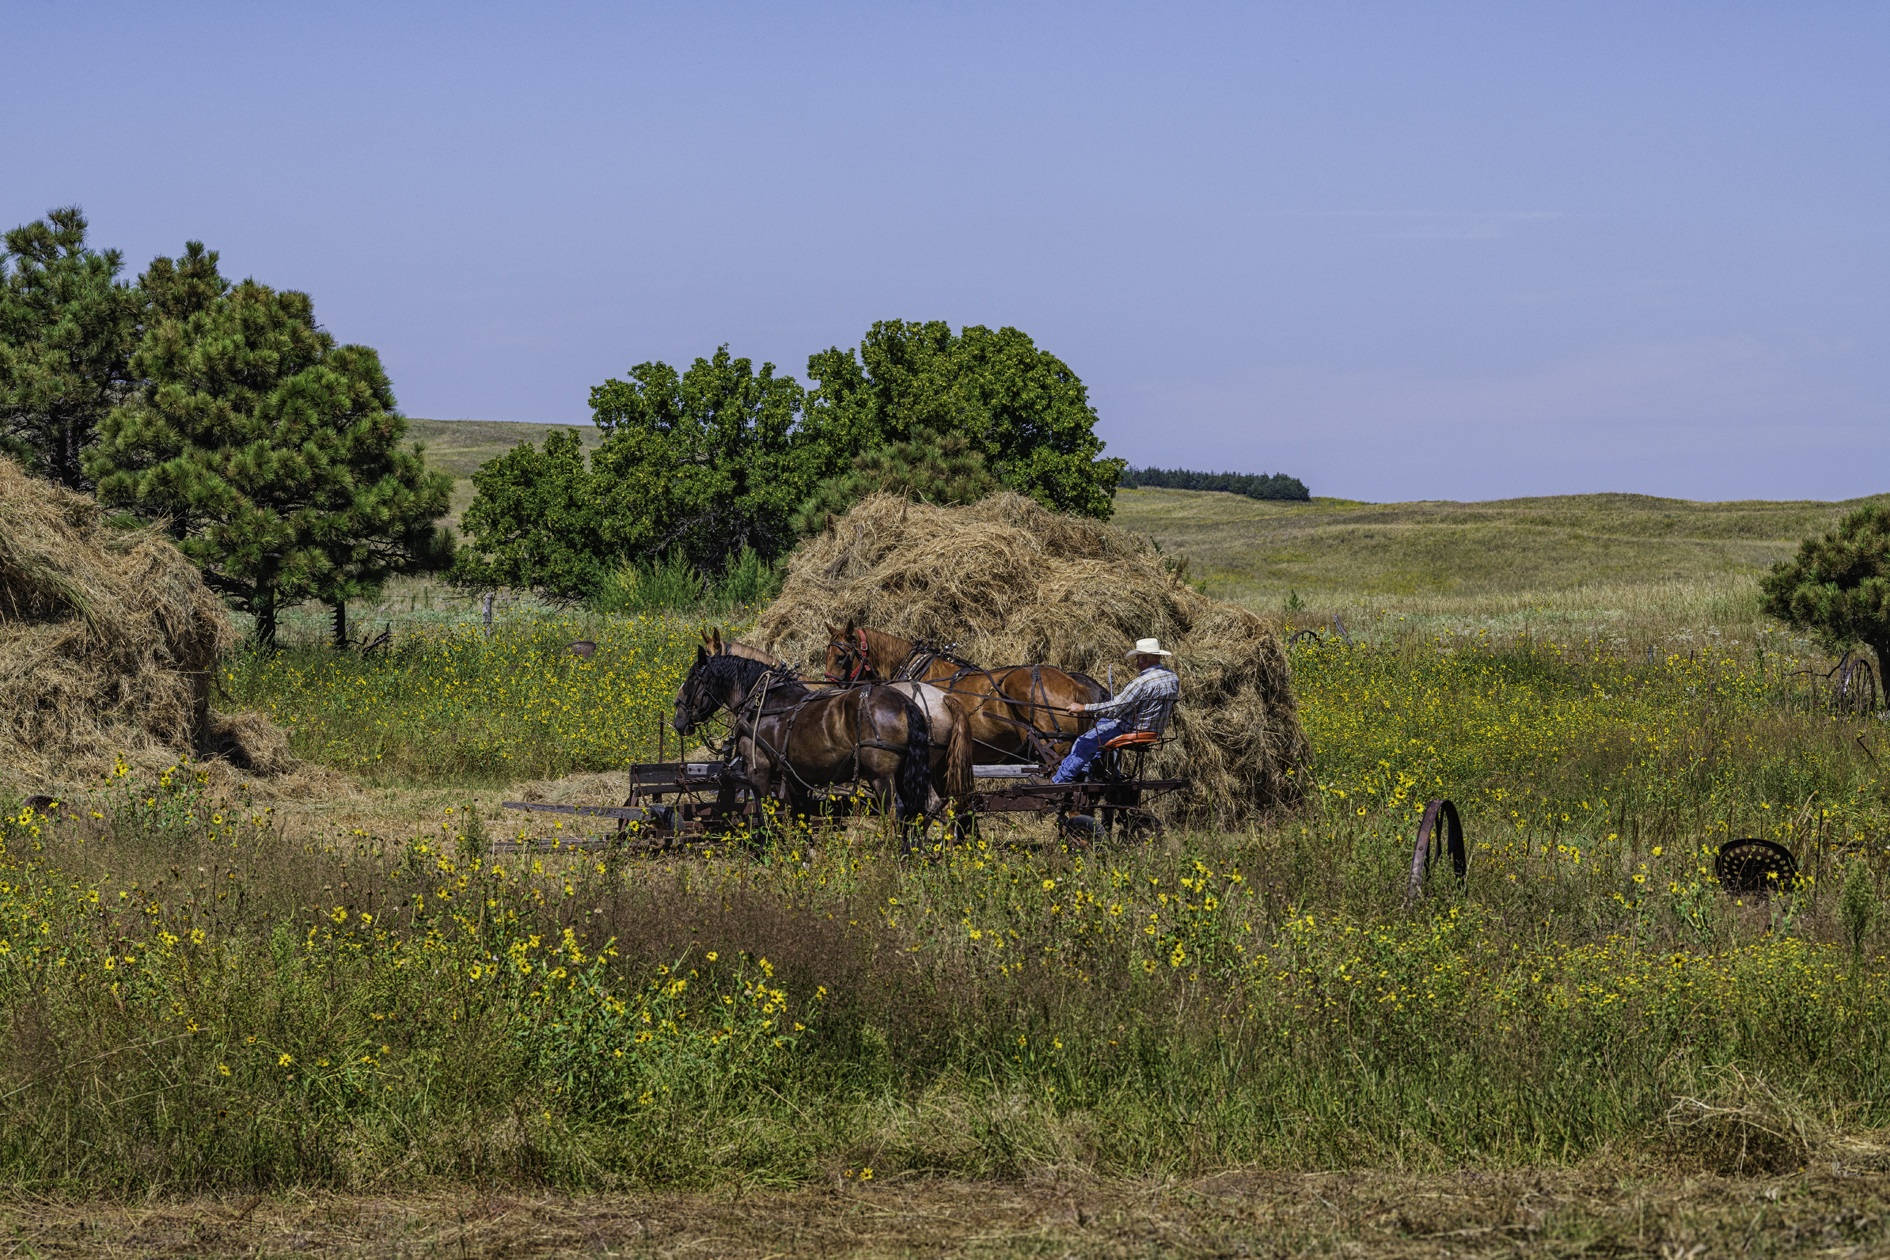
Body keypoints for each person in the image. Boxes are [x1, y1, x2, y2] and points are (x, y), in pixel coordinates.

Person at [1050, 637, 1179, 783]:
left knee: (1083, 742)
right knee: (1102, 722)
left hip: (1132, 729)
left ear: (1143, 658)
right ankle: (1085, 768)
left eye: (1137, 659)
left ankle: (1058, 781)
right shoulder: (1172, 678)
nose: (1136, 663)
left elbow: (1115, 708)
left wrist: (1084, 707)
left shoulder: (1141, 683)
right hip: (1154, 729)